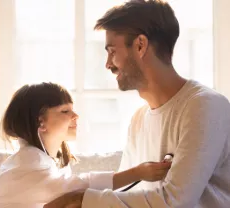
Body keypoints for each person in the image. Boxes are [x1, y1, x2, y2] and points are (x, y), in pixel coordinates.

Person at [44, 0, 230, 207]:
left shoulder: (205, 106)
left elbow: (176, 201)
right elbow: (128, 194)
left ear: (140, 45)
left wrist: (82, 200)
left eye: (112, 51)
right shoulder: (140, 119)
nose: (107, 64)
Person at [0, 82, 171, 208]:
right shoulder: (28, 162)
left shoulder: (47, 160)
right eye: (65, 111)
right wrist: (137, 173)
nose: (75, 116)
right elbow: (77, 187)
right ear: (41, 122)